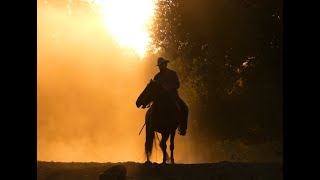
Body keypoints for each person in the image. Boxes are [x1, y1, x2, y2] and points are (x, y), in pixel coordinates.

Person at [153, 57, 189, 135]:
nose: (160, 67)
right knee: (152, 111)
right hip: (160, 98)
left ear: (165, 64)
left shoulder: (173, 73)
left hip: (173, 96)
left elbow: (177, 85)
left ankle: (182, 128)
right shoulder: (156, 77)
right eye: (159, 65)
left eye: (161, 65)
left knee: (184, 108)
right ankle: (151, 124)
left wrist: (168, 88)